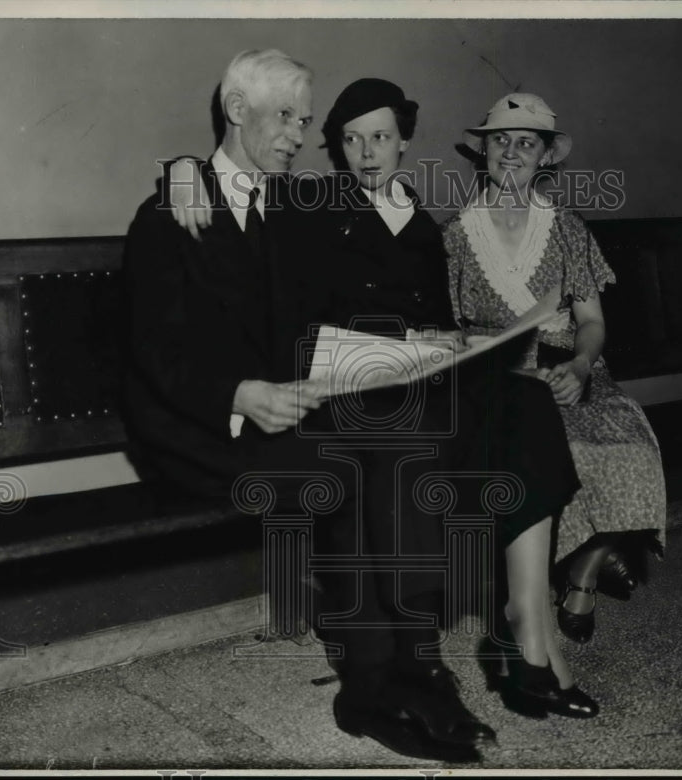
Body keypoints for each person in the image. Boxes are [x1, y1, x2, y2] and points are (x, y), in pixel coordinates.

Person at [169, 77, 599, 722]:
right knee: (414, 435)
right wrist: (181, 170)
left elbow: (442, 314)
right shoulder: (309, 205)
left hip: (420, 376)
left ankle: (528, 626)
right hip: (344, 386)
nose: (367, 152)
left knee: (527, 402)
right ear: (337, 150)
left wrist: (451, 340)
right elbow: (234, 201)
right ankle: (412, 657)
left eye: (381, 137)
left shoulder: (426, 227)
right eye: (351, 140)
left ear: (404, 143)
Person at [124, 50, 490, 764]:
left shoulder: (293, 206)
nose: (299, 135)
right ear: (238, 112)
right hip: (201, 428)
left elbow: (355, 281)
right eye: (285, 118)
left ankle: (410, 666)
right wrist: (237, 395)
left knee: (399, 436)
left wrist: (418, 341)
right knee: (346, 467)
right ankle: (377, 683)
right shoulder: (172, 207)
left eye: (304, 120)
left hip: (288, 412)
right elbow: (151, 352)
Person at [441, 92, 668, 644]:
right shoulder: (455, 236)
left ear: (545, 157)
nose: (512, 151)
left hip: (572, 370)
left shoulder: (567, 228)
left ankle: (582, 576)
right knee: (555, 454)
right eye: (502, 140)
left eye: (527, 142)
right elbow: (448, 334)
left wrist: (585, 366)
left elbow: (591, 321)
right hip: (500, 377)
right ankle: (559, 576)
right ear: (485, 152)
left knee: (628, 449)